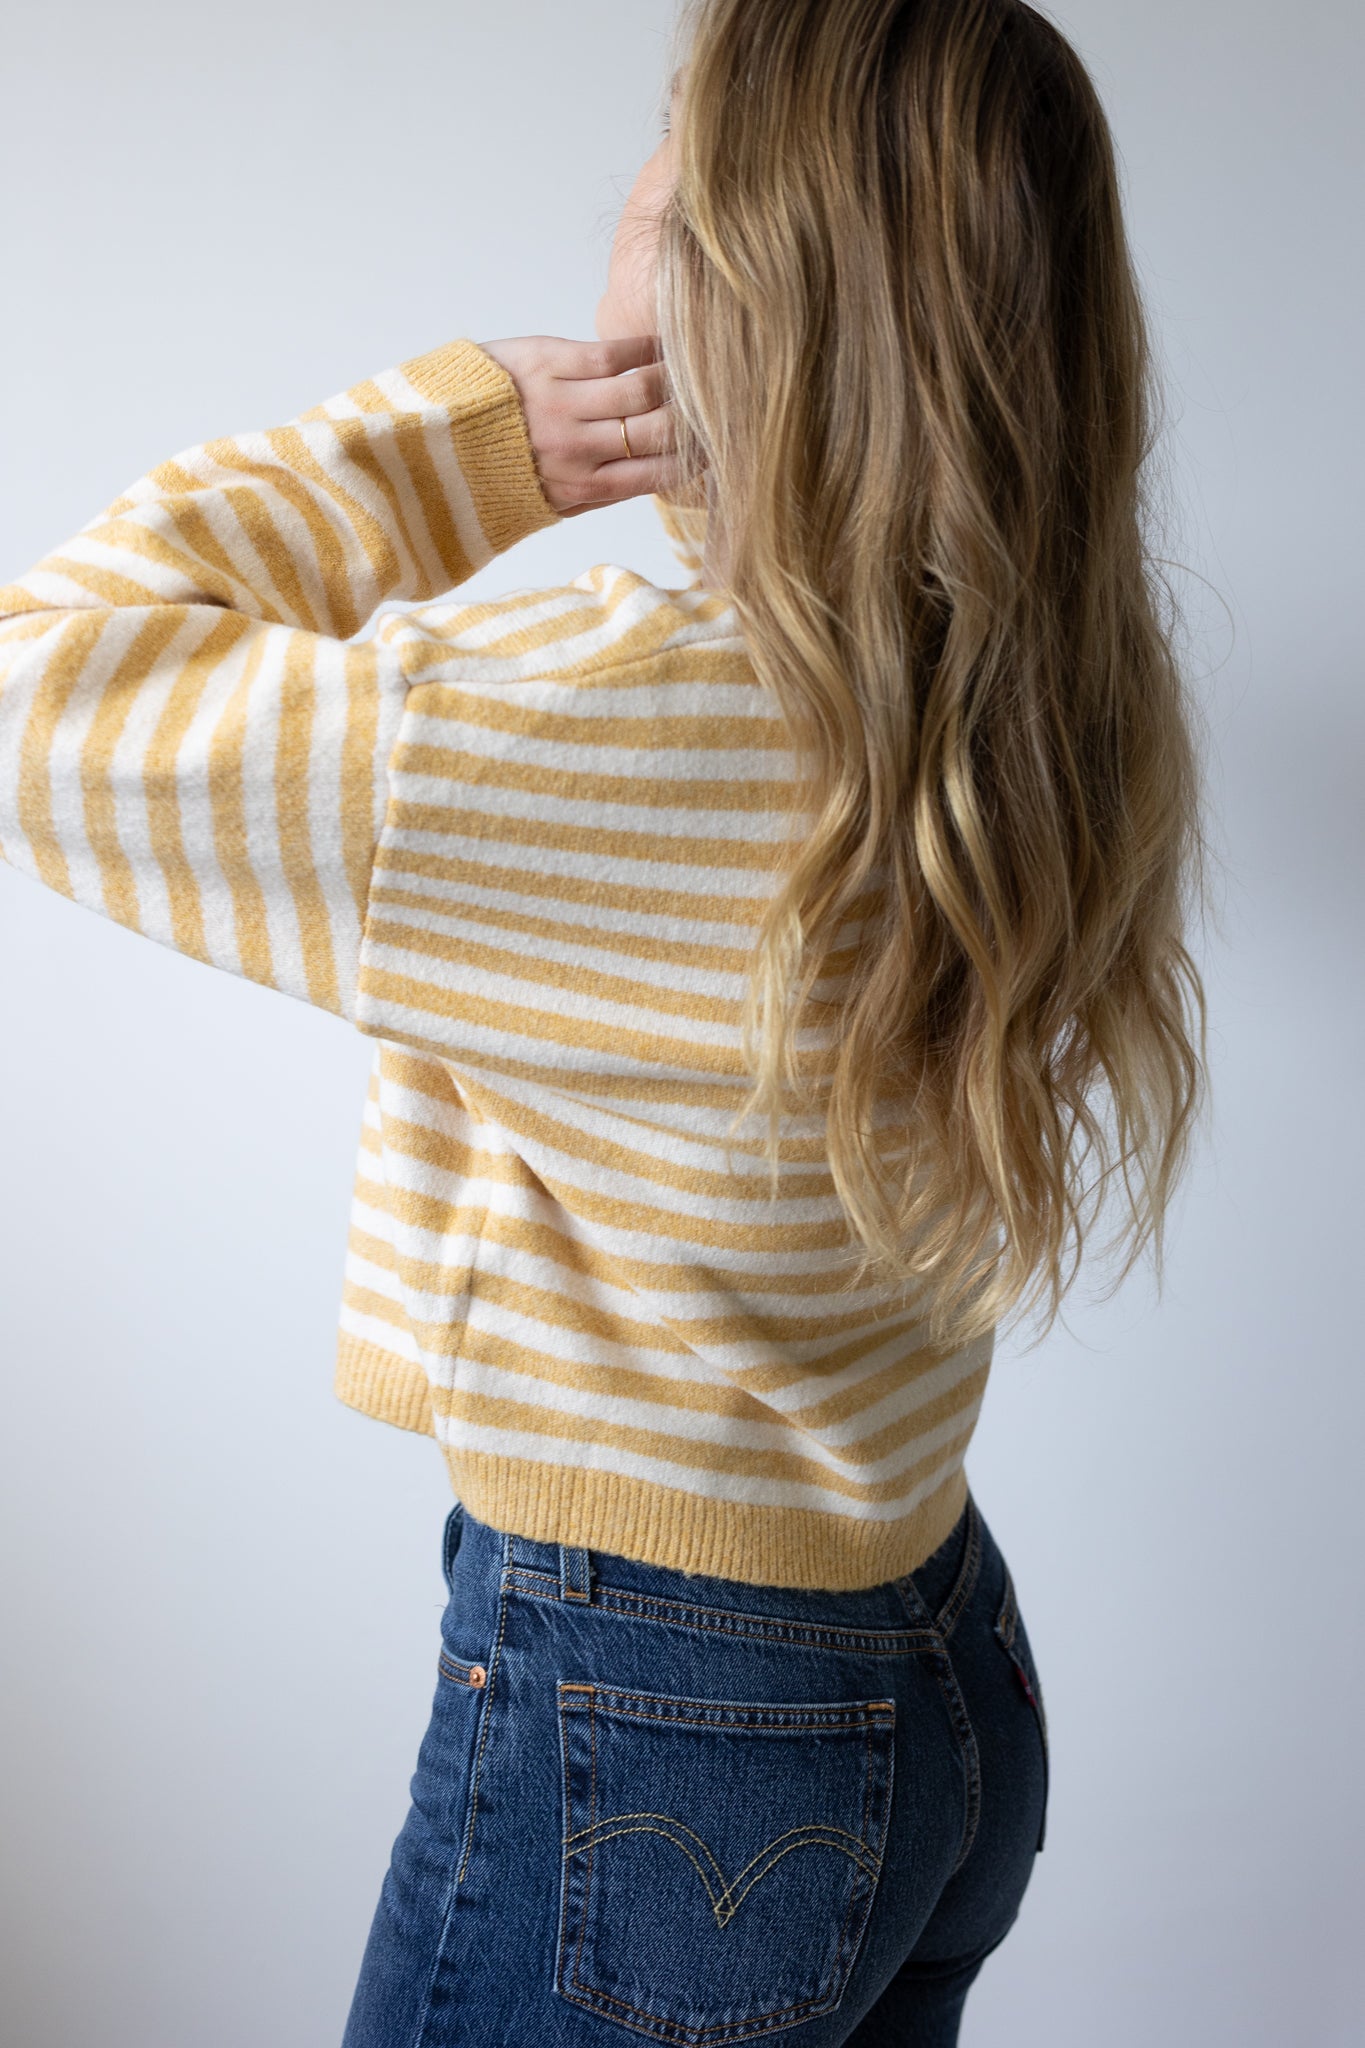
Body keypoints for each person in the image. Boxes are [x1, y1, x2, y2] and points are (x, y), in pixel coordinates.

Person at [0, 0, 1208, 2040]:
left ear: (753, 293)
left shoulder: (576, 728)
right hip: (935, 1673)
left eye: (667, 156)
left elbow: (44, 691)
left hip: (668, 1745)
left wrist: (446, 450)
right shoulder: (1030, 686)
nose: (625, 196)